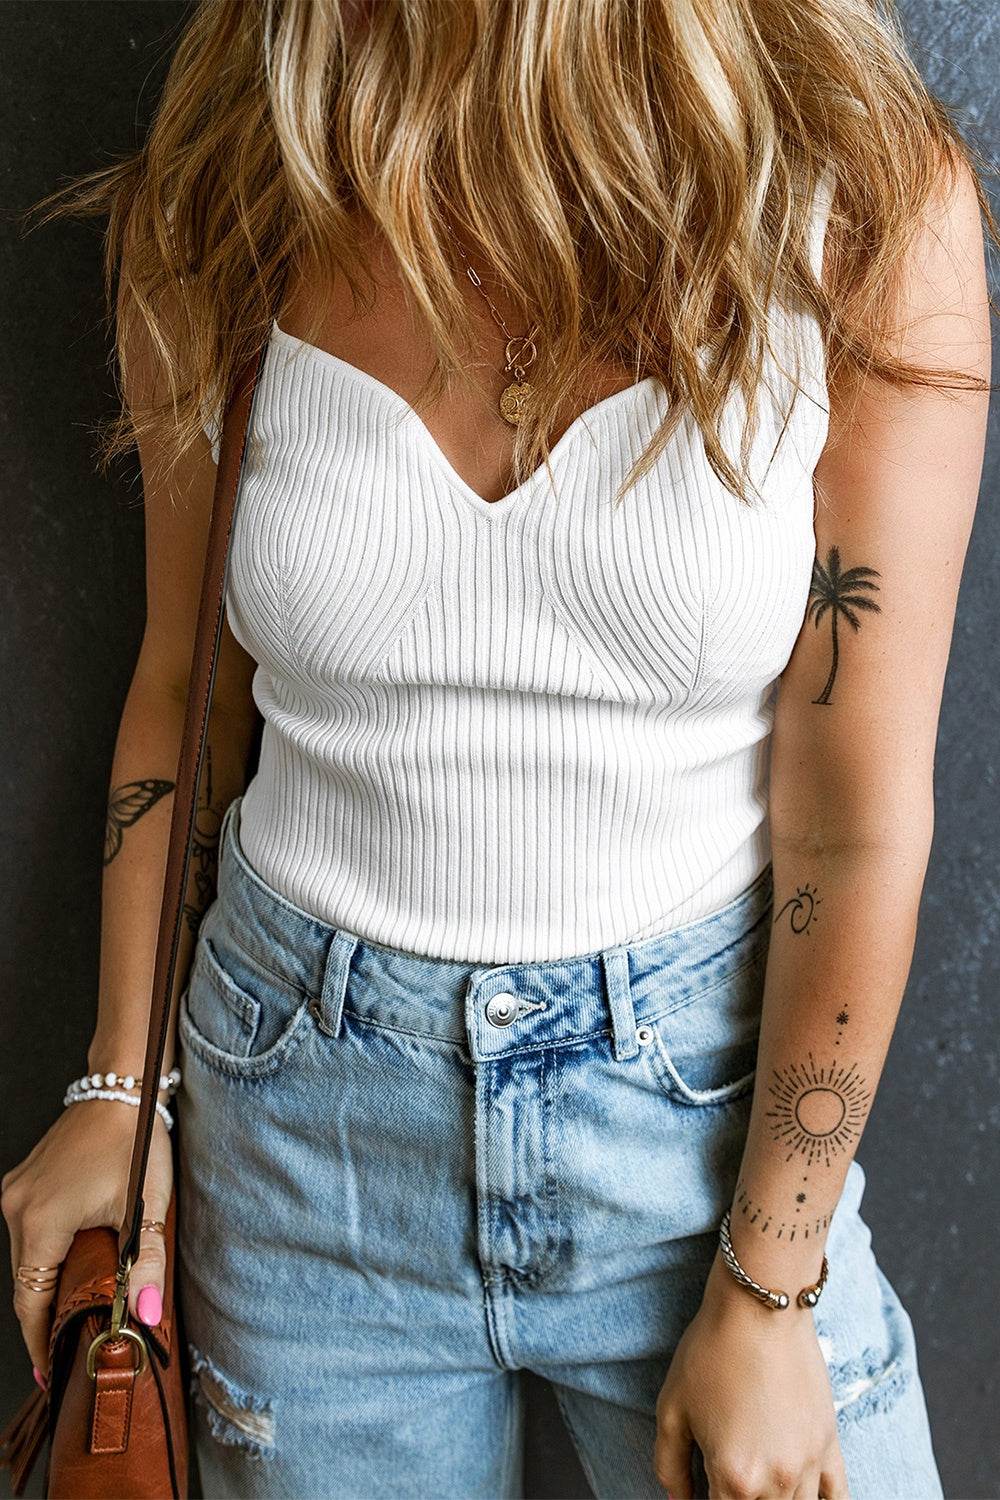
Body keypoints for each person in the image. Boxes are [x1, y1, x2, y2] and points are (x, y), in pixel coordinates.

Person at [3, 1, 993, 1496]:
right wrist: (117, 1089)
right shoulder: (237, 174)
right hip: (299, 1123)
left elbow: (856, 814)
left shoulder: (858, 191)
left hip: (701, 1126)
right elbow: (187, 689)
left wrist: (773, 1282)